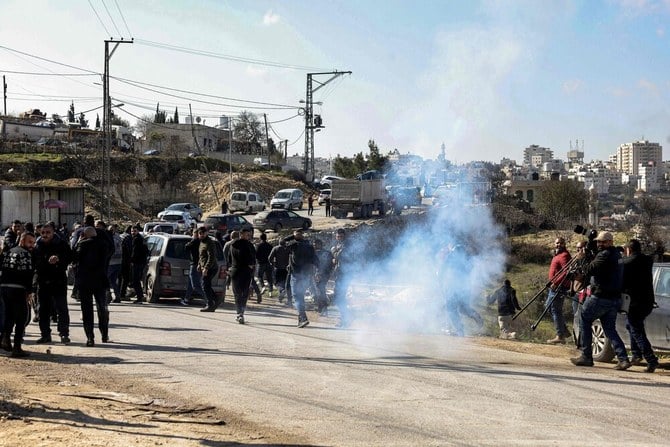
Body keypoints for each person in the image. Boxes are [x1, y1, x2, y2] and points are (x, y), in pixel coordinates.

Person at [571, 231, 631, 370]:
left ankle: (586, 356)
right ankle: (623, 359)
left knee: (584, 319)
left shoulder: (604, 255)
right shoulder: (617, 255)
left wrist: (582, 258)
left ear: (610, 242)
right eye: (598, 241)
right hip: (614, 299)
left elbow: (589, 269)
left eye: (602, 242)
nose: (599, 244)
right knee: (610, 329)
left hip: (600, 296)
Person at [622, 239, 659, 373]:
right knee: (631, 325)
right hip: (648, 301)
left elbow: (622, 266)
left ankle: (651, 360)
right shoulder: (647, 260)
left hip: (635, 302)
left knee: (636, 330)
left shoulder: (628, 262)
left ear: (629, 250)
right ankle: (636, 354)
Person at [33, 223, 73, 344]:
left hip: (58, 280)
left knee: (61, 308)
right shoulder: (37, 245)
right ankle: (45, 334)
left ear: (53, 232)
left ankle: (64, 333)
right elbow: (34, 262)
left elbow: (70, 257)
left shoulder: (61, 244)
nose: (45, 235)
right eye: (43, 233)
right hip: (43, 281)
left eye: (48, 232)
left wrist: (58, 258)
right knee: (43, 309)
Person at [0, 232, 36, 357]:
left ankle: (5, 340)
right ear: (22, 241)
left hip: (4, 287)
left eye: (33, 242)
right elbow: (28, 273)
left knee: (9, 316)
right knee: (21, 317)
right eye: (30, 242)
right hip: (18, 289)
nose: (32, 245)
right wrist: (29, 291)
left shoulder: (9, 251)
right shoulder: (25, 254)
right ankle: (17, 347)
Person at [73, 227, 110, 346]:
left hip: (85, 281)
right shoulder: (103, 245)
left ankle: (90, 337)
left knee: (87, 310)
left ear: (84, 234)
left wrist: (78, 242)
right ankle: (104, 334)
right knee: (102, 308)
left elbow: (74, 257)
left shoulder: (82, 245)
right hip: (100, 280)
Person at [283, 229, 318, 327]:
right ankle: (300, 319)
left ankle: (303, 318)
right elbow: (315, 260)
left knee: (297, 297)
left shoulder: (294, 244)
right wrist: (318, 271)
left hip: (296, 275)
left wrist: (292, 236)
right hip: (306, 275)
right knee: (300, 296)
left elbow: (282, 242)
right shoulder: (309, 246)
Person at [546, 237, 572, 344]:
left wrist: (556, 283)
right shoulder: (557, 255)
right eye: (557, 243)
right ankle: (563, 331)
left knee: (554, 309)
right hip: (554, 286)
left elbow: (566, 272)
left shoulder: (564, 255)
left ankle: (560, 335)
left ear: (564, 244)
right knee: (549, 307)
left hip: (559, 287)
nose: (558, 245)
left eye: (561, 243)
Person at [229, 228, 256, 323]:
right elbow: (247, 258)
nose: (248, 237)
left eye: (249, 235)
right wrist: (250, 265)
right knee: (240, 294)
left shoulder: (233, 244)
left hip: (240, 271)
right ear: (241, 234)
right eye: (246, 235)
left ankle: (240, 313)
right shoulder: (241, 245)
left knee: (242, 294)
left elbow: (253, 258)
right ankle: (240, 313)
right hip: (241, 271)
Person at [331, 228, 351, 327]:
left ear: (344, 236)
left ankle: (346, 318)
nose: (339, 238)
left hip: (345, 275)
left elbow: (339, 255)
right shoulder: (338, 245)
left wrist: (334, 253)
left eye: (341, 236)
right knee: (338, 297)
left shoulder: (347, 245)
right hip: (339, 274)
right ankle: (345, 317)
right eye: (338, 236)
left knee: (340, 297)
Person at [197, 226, 219, 312]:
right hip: (204, 267)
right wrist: (199, 264)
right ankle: (215, 300)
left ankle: (210, 304)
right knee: (206, 285)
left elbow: (211, 257)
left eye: (203, 233)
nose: (201, 235)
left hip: (211, 267)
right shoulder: (202, 242)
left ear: (206, 233)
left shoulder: (209, 242)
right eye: (200, 233)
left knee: (205, 285)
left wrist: (206, 268)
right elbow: (202, 255)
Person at [181, 228, 205, 306]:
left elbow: (186, 247)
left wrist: (193, 239)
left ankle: (209, 299)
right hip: (200, 265)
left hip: (195, 265)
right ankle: (186, 299)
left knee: (195, 285)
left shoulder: (195, 242)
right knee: (190, 284)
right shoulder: (203, 242)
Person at [313, 239, 333, 315]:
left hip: (321, 275)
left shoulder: (324, 253)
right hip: (320, 274)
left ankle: (324, 309)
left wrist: (319, 274)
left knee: (321, 291)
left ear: (320, 245)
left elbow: (324, 265)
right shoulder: (318, 253)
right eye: (314, 244)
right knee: (319, 291)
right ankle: (320, 308)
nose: (314, 246)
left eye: (316, 244)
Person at [129, 225, 148, 303]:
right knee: (137, 280)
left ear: (138, 231)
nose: (133, 233)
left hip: (137, 262)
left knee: (135, 280)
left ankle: (140, 297)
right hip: (141, 262)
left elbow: (135, 252)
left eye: (135, 231)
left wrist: (131, 260)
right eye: (132, 231)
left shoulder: (137, 239)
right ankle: (140, 296)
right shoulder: (141, 239)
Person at [107, 224, 123, 303]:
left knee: (106, 280)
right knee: (113, 281)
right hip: (119, 262)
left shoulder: (110, 238)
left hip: (111, 262)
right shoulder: (118, 237)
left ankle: (108, 296)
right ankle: (117, 296)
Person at [255, 233, 274, 298]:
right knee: (269, 278)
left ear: (260, 238)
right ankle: (270, 292)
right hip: (269, 263)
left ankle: (263, 287)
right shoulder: (270, 246)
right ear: (266, 238)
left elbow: (256, 255)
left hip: (261, 263)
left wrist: (257, 260)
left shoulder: (259, 246)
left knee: (259, 276)